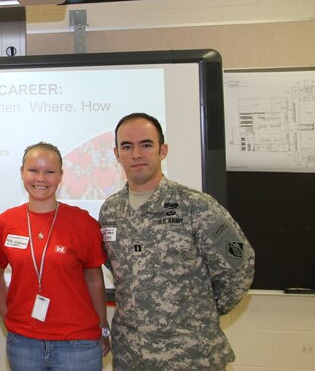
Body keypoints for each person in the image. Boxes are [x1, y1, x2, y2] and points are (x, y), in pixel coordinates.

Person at [99, 112, 255, 370]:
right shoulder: (110, 211)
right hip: (131, 356)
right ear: (117, 154)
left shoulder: (197, 206)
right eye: (127, 146)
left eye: (146, 144)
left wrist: (197, 314)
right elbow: (115, 267)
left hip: (191, 355)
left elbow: (239, 266)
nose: (136, 154)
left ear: (163, 150)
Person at [0, 142, 110, 371]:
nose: (41, 178)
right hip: (24, 344)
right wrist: (9, 318)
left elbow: (94, 279)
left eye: (50, 172)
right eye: (33, 170)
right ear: (22, 172)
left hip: (77, 344)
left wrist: (103, 327)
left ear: (61, 176)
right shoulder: (4, 223)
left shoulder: (82, 223)